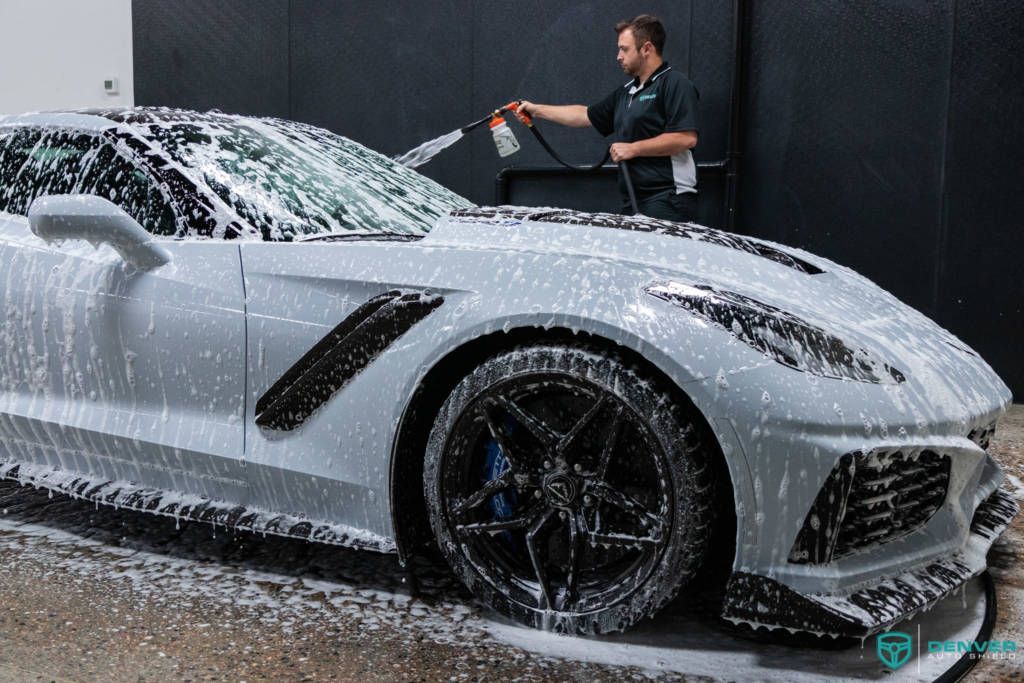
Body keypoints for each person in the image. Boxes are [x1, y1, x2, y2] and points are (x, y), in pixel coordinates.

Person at [518, 15, 700, 222]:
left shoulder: (675, 84)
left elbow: (686, 138)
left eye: (624, 49)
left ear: (647, 49)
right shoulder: (627, 92)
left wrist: (633, 148)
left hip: (668, 199)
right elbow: (585, 115)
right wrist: (536, 110)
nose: (618, 56)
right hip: (632, 200)